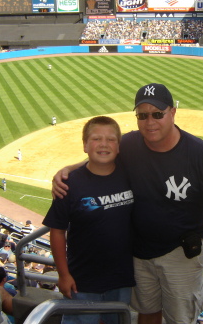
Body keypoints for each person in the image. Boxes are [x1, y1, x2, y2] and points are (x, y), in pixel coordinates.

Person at [52, 83, 203, 324]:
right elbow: (101, 156)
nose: (150, 122)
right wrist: (68, 169)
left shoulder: (201, 154)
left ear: (173, 112)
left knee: (180, 319)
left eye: (157, 114)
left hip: (181, 254)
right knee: (147, 313)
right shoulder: (130, 144)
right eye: (143, 115)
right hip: (138, 253)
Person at [44, 116, 135, 324]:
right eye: (96, 139)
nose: (104, 144)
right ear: (85, 145)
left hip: (121, 279)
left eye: (111, 140)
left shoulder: (130, 175)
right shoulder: (69, 185)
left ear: (119, 146)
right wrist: (63, 274)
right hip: (82, 280)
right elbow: (57, 231)